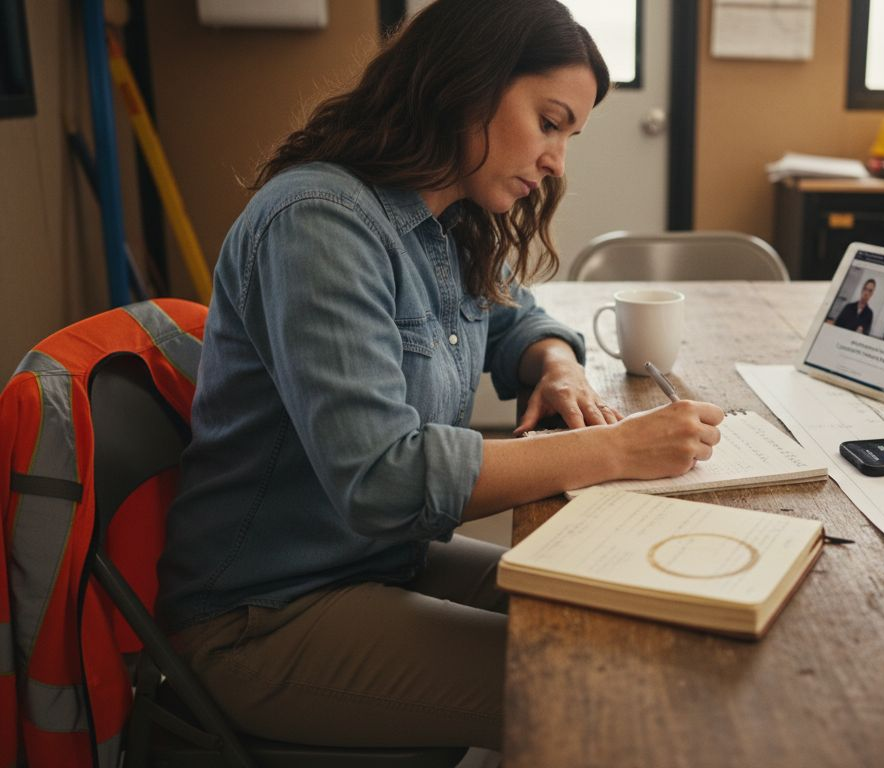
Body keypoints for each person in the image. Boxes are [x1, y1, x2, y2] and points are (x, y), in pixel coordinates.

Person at [156, 0, 724, 752]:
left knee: (626, 623)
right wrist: (619, 449)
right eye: (550, 122)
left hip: (379, 565)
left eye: (570, 135)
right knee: (608, 690)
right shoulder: (319, 222)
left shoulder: (443, 215)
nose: (558, 160)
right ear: (468, 83)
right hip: (265, 615)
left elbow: (514, 317)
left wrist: (554, 364)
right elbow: (384, 479)